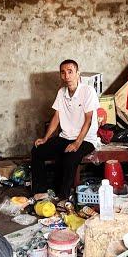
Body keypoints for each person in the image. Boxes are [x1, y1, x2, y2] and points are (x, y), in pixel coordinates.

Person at [31, 59, 99, 200]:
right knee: (37, 151)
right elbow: (56, 117)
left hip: (85, 139)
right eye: (63, 72)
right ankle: (41, 192)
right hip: (65, 137)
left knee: (70, 158)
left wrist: (77, 143)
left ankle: (63, 198)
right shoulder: (61, 92)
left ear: (77, 73)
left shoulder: (88, 91)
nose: (66, 76)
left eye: (70, 72)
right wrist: (45, 138)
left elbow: (89, 120)